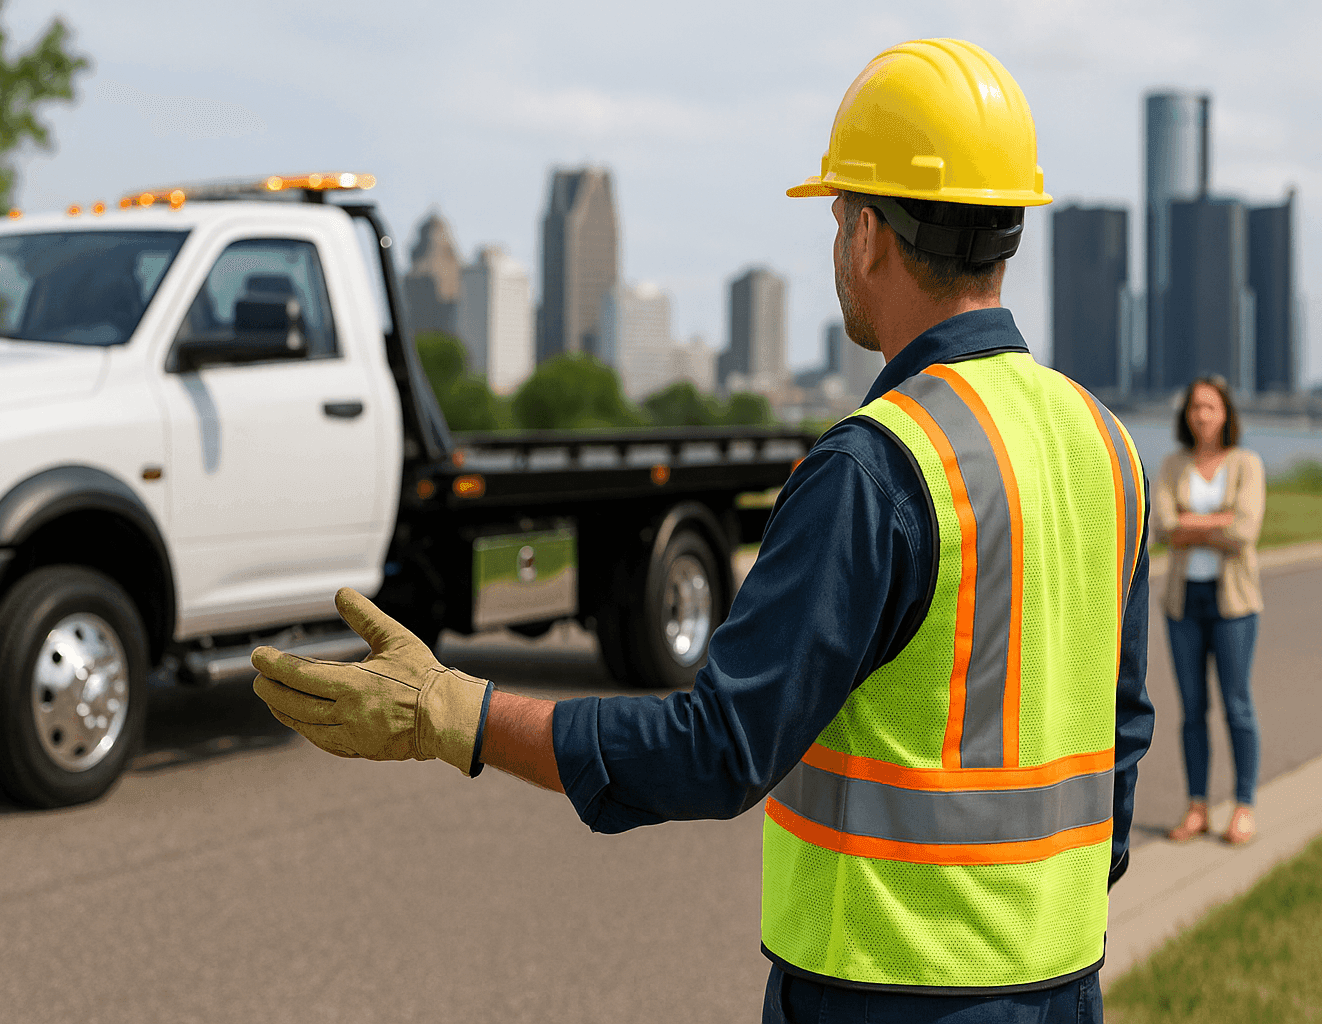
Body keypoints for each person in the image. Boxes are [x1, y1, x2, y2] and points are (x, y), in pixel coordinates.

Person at [252, 38, 1154, 1024]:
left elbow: (720, 745)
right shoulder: (1105, 443)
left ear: (867, 236)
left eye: (841, 212)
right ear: (1008, 230)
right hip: (1063, 989)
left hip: (892, 994)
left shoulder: (881, 465)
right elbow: (1121, 730)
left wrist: (453, 713)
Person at [1154, 376, 1265, 846]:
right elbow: (1162, 526)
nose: (1202, 415)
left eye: (1211, 407)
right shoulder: (1172, 463)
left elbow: (1245, 530)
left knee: (1237, 705)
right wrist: (1218, 520)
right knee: (1192, 709)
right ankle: (1197, 805)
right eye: (1195, 407)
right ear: (1187, 415)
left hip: (1233, 603)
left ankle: (1243, 805)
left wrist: (1189, 522)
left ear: (1226, 414)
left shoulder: (1247, 463)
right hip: (1184, 601)